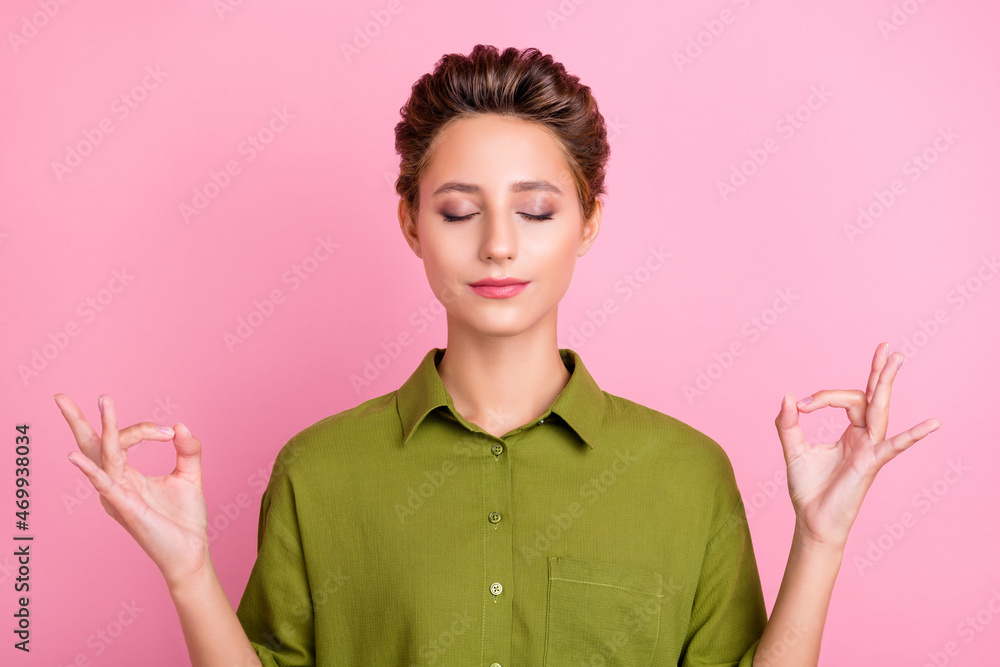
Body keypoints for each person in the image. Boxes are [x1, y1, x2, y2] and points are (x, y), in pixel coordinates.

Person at [55, 44, 941, 666]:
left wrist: (822, 538)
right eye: (458, 209)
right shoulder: (317, 470)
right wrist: (187, 571)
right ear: (411, 222)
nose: (499, 247)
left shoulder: (689, 474)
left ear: (589, 220)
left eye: (537, 208)